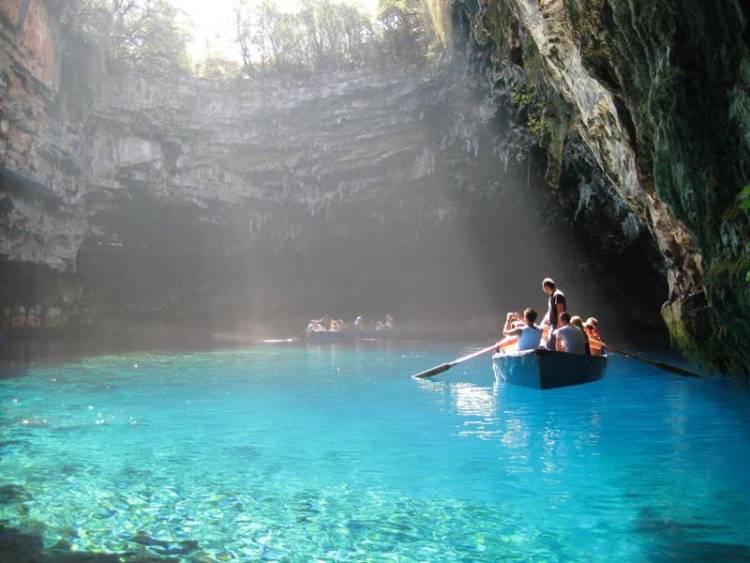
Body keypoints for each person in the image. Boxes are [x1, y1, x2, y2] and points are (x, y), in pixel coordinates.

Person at [541, 278, 566, 350]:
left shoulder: (558, 295)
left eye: (543, 287)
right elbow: (550, 311)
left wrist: (559, 326)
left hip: (556, 325)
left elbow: (560, 311)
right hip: (552, 325)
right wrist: (543, 322)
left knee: (551, 345)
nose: (543, 289)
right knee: (550, 344)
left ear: (546, 286)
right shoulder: (551, 297)